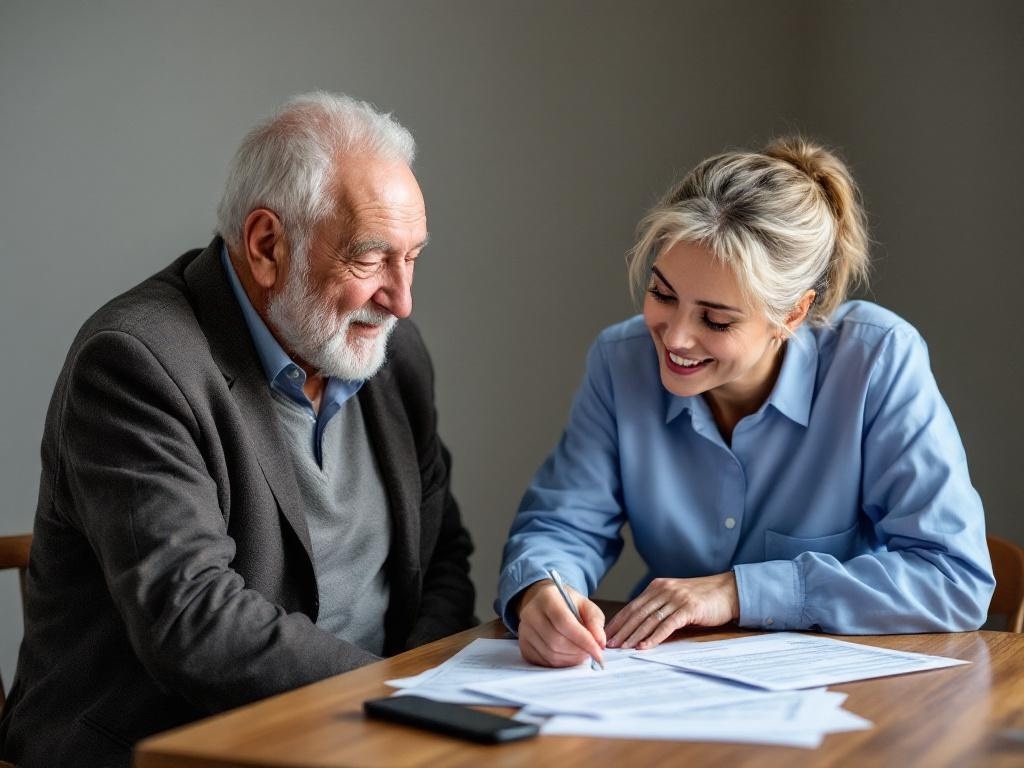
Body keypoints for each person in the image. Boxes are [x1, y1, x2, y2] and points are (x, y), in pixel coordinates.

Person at [0, 92, 475, 767]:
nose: (401, 300)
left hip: (369, 737)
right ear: (265, 245)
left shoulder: (394, 356)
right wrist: (394, 695)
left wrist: (424, 698)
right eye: (371, 261)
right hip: (176, 747)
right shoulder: (137, 362)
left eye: (413, 256)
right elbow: (194, 619)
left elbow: (441, 558)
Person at [496, 137, 994, 669]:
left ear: (794, 314)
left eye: (716, 319)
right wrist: (543, 593)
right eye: (663, 294)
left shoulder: (876, 361)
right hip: (662, 678)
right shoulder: (620, 362)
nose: (676, 338)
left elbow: (953, 578)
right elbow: (563, 525)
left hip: (842, 696)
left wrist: (738, 592)